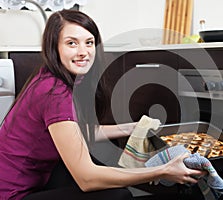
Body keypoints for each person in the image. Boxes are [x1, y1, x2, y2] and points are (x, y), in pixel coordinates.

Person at [0, 9, 206, 200]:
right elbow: (87, 179)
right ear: (54, 47)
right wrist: (163, 171)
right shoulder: (54, 93)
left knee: (97, 161)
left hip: (34, 177)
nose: (83, 52)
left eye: (89, 43)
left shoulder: (54, 76)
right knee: (118, 195)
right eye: (72, 43)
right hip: (12, 193)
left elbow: (76, 132)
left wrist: (131, 128)